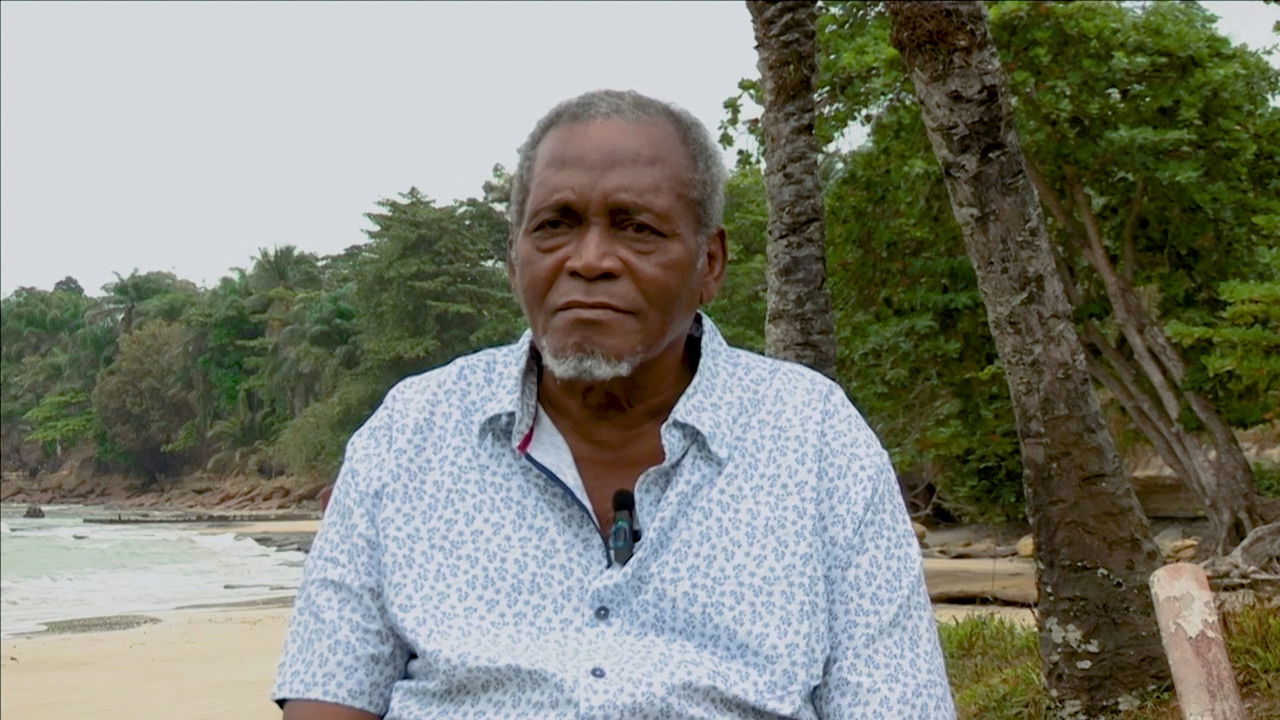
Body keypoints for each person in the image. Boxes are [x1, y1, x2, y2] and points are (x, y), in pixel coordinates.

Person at [273, 89, 954, 719]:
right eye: (555, 225)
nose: (590, 259)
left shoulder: (815, 440)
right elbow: (328, 695)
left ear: (710, 263)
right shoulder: (408, 435)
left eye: (637, 228)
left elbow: (897, 703)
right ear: (514, 259)